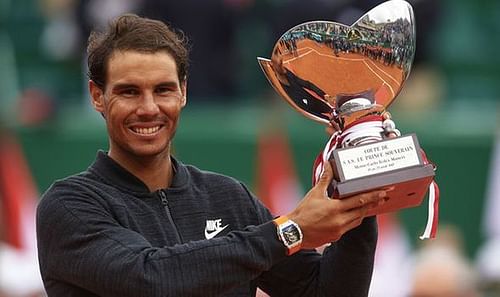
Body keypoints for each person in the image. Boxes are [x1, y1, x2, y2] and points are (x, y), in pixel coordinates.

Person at [36, 14, 389, 297]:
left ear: (184, 92)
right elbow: (151, 279)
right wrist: (288, 231)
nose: (148, 108)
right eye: (129, 92)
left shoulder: (228, 198)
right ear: (97, 96)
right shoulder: (69, 206)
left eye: (163, 90)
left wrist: (358, 185)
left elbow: (324, 291)